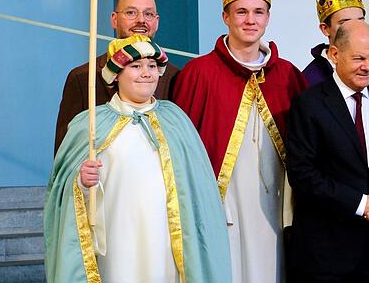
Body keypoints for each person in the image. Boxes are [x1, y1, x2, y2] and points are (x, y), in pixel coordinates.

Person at [44, 35, 231, 283]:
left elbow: (199, 189)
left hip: (167, 237)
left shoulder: (176, 120)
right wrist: (80, 182)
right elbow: (61, 189)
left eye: (152, 66)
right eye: (135, 66)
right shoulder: (89, 125)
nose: (146, 73)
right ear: (116, 75)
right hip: (117, 237)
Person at [172, 0, 307, 282]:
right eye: (241, 12)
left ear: (268, 17)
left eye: (258, 11)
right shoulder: (199, 73)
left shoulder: (288, 76)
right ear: (225, 16)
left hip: (276, 203)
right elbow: (181, 150)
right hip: (224, 206)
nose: (250, 20)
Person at [287, 21, 369, 282]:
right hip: (324, 256)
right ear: (334, 54)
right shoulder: (308, 104)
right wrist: (362, 204)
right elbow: (303, 175)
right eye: (358, 58)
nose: (367, 66)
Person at [54, 0, 180, 154]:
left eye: (148, 14)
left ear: (156, 22)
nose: (141, 20)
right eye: (131, 13)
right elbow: (66, 152)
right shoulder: (83, 78)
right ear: (114, 19)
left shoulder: (174, 77)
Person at [302, 0, 369, 91]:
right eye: (345, 22)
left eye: (360, 21)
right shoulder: (309, 81)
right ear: (325, 29)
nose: (355, 28)